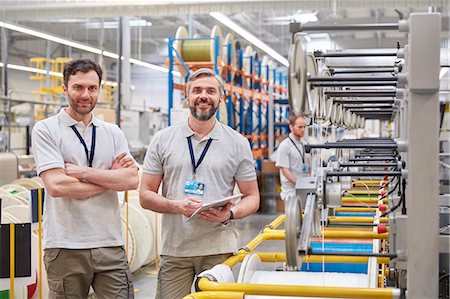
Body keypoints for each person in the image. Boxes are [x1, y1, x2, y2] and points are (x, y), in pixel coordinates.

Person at [139, 68, 260, 299]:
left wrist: (230, 214)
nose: (203, 96)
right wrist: (177, 206)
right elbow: (145, 194)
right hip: (175, 250)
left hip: (219, 249)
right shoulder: (162, 139)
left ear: (220, 99)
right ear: (187, 97)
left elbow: (252, 197)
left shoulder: (238, 143)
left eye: (210, 91)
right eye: (197, 90)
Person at [32, 58, 138, 299]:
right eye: (78, 87)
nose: (86, 94)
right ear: (65, 88)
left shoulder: (112, 132)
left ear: (100, 89)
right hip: (64, 246)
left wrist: (82, 173)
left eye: (92, 88)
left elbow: (131, 180)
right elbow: (56, 185)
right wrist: (110, 178)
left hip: (110, 244)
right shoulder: (46, 129)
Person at [275, 114, 311, 201]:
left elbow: (309, 166)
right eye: (300, 127)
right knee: (293, 213)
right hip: (290, 191)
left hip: (304, 188)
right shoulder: (285, 146)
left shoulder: (304, 144)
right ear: (291, 127)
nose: (303, 130)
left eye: (304, 127)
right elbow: (285, 170)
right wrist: (298, 183)